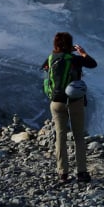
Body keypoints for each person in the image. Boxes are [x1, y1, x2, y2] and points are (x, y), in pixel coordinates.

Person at [41, 32, 97, 183]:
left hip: (56, 102)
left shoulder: (51, 58)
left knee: (60, 136)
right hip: (74, 101)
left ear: (56, 45)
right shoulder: (74, 59)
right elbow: (93, 64)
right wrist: (82, 53)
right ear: (70, 45)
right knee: (78, 136)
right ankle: (81, 172)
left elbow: (45, 68)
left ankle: (62, 173)